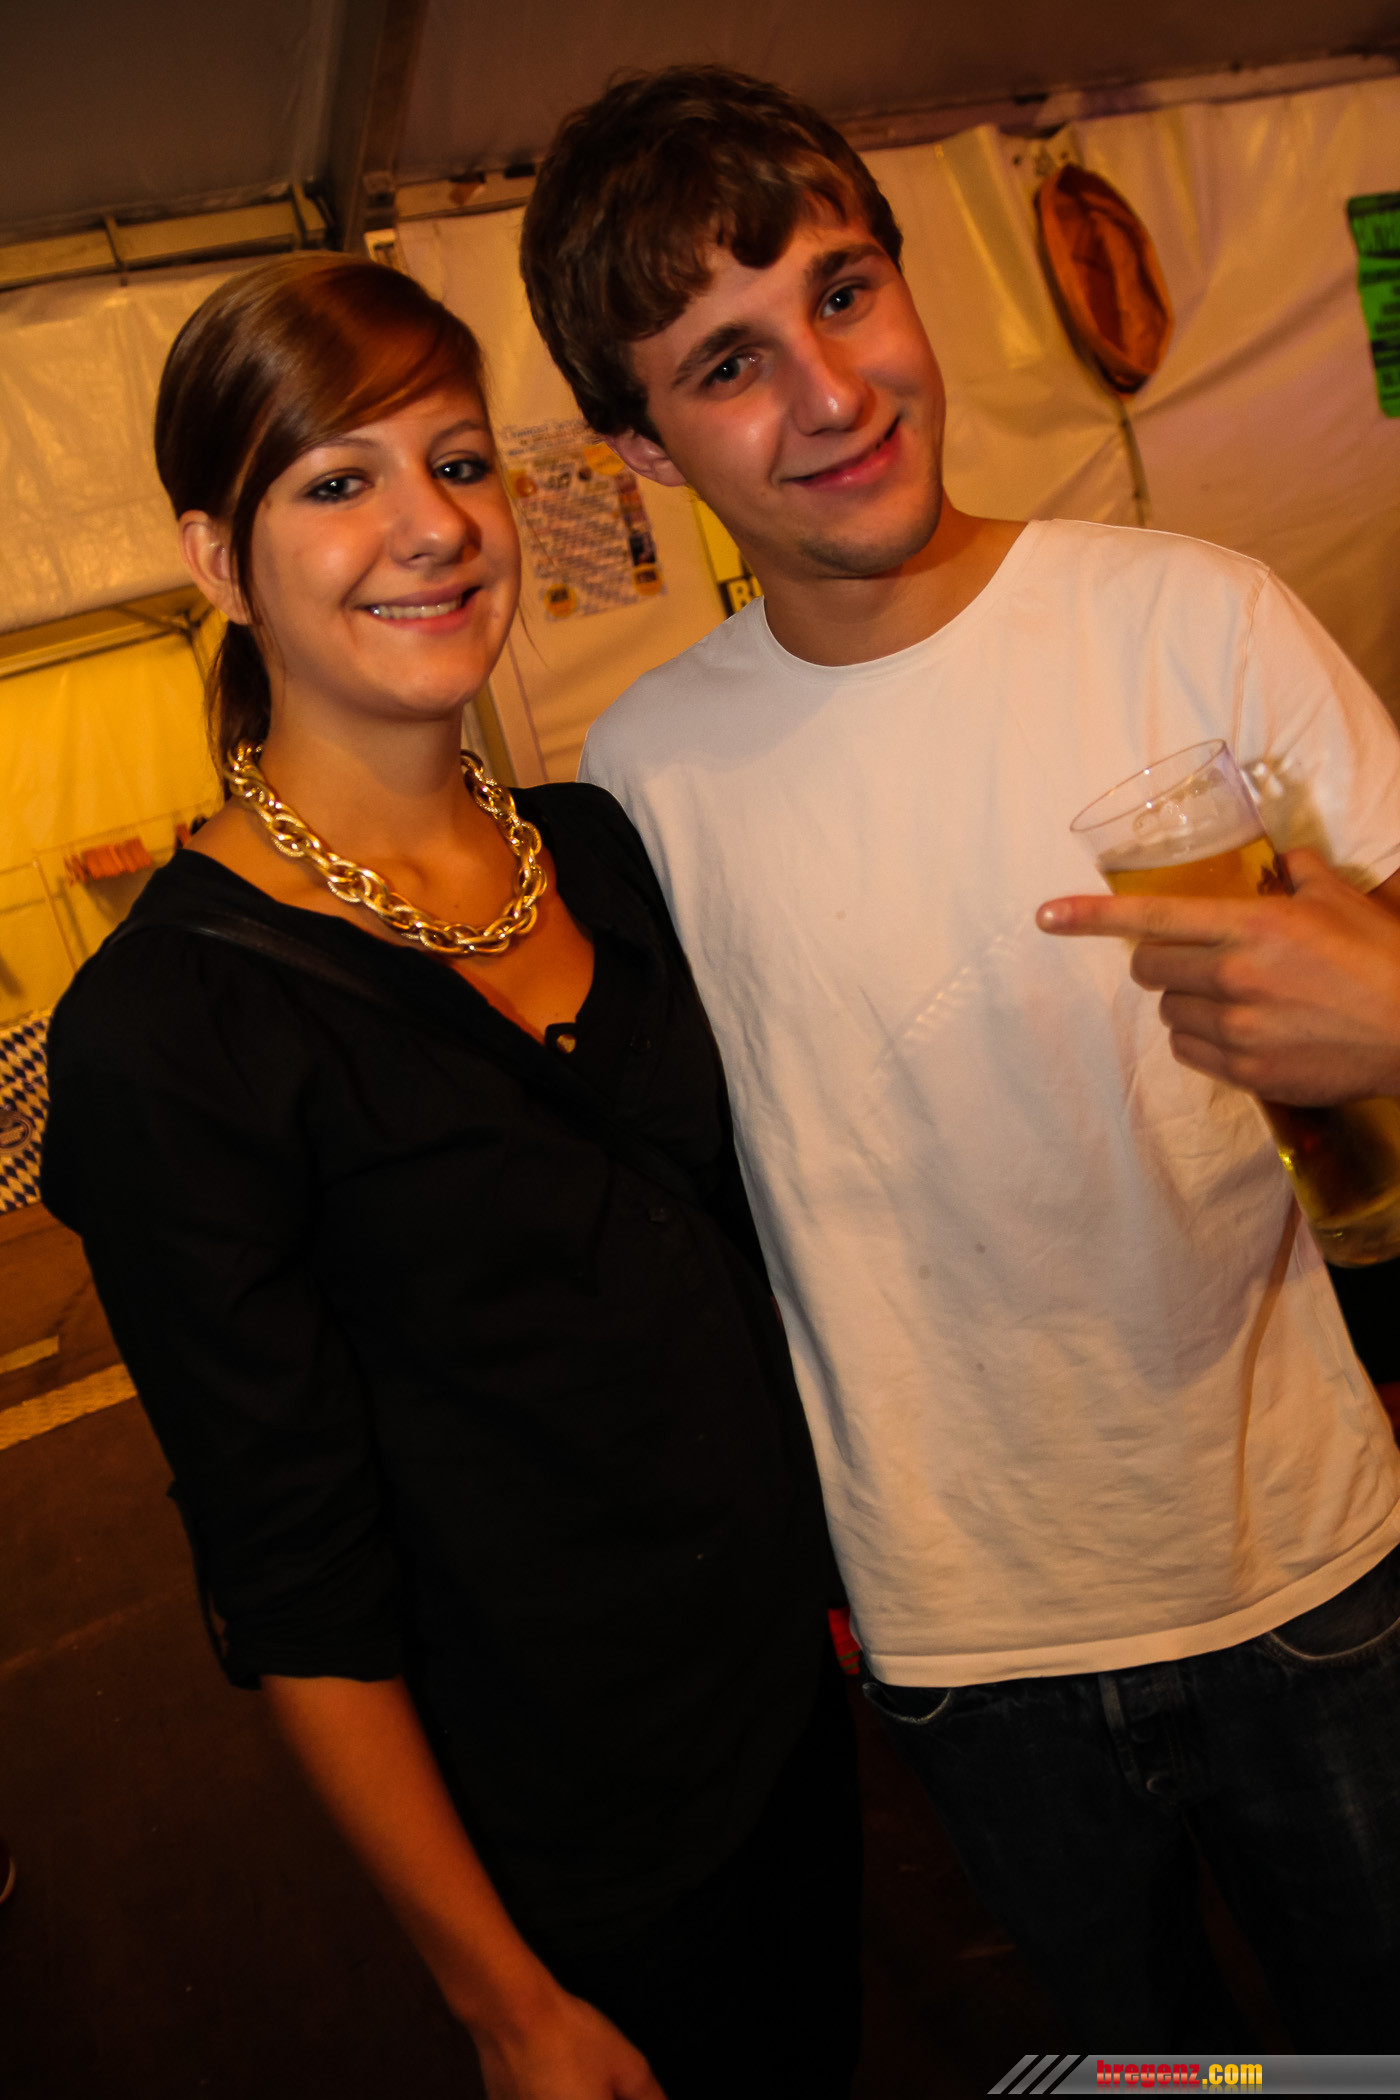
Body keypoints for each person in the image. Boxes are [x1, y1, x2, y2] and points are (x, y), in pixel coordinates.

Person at [519, 66, 1400, 2048]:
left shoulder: (1195, 617)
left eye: (845, 293)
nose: (832, 392)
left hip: (1301, 1556)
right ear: (639, 450)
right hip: (965, 1634)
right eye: (727, 362)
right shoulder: (643, 779)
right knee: (1148, 2074)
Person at [38, 254, 862, 2100]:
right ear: (216, 559)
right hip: (571, 1858)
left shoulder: (601, 850)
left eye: (461, 462)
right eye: (339, 480)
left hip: (793, 1730)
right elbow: (290, 1571)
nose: (432, 526)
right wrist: (504, 2002)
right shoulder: (173, 1031)